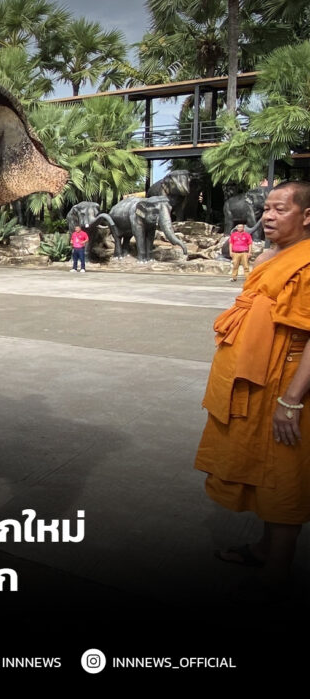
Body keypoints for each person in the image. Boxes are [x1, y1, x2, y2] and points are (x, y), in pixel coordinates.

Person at [195, 181, 310, 595]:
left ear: (307, 216)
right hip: (257, 379)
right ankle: (264, 548)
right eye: (268, 209)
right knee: (261, 469)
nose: (269, 215)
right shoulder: (272, 255)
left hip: (288, 381)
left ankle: (277, 569)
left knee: (282, 475)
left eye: (281, 209)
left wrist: (291, 401)